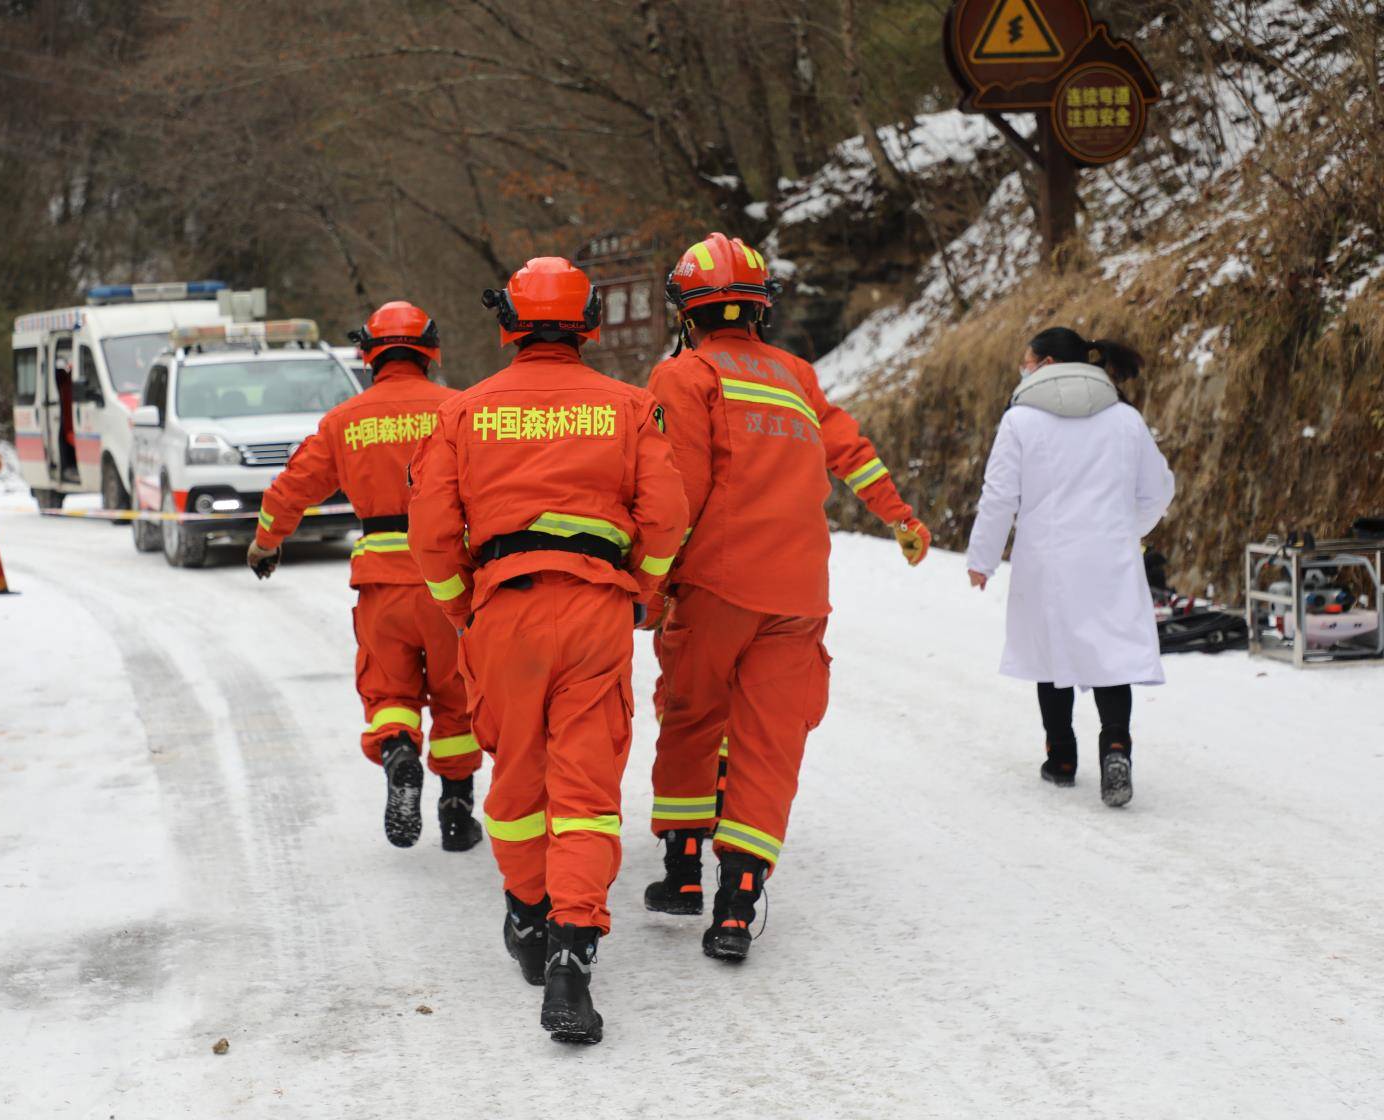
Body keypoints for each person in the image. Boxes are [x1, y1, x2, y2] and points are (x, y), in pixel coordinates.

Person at [408, 257, 687, 1045]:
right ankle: (573, 952)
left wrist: (462, 606)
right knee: (586, 787)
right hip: (597, 609)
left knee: (519, 779)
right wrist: (643, 589)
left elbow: (432, 531)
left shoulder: (463, 413)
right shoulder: (630, 407)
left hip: (504, 609)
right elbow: (667, 514)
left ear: (508, 324)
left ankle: (528, 916)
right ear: (588, 324)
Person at [642, 232, 931, 962]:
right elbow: (851, 451)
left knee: (692, 717)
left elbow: (680, 491)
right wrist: (899, 517)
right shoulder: (796, 375)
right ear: (759, 309)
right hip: (800, 594)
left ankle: (682, 872)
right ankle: (737, 907)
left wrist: (651, 583)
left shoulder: (684, 375)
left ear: (687, 312)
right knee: (769, 743)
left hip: (716, 584)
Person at [246, 301, 483, 852]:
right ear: (430, 351)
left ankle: (399, 751)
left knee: (390, 691)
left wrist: (265, 542)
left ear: (368, 355)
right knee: (458, 696)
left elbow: (292, 487)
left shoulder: (345, 420)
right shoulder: (460, 410)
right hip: (450, 581)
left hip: (380, 583)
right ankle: (456, 814)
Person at [964, 327, 1176, 807]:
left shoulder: (1020, 421)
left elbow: (999, 497)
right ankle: (1116, 746)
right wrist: (1126, 529)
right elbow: (1158, 489)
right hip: (1110, 556)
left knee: (1050, 653)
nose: (1023, 369)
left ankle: (1060, 756)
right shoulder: (1125, 419)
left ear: (1047, 364)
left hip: (1047, 558)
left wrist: (982, 559)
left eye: (1027, 360)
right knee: (1111, 652)